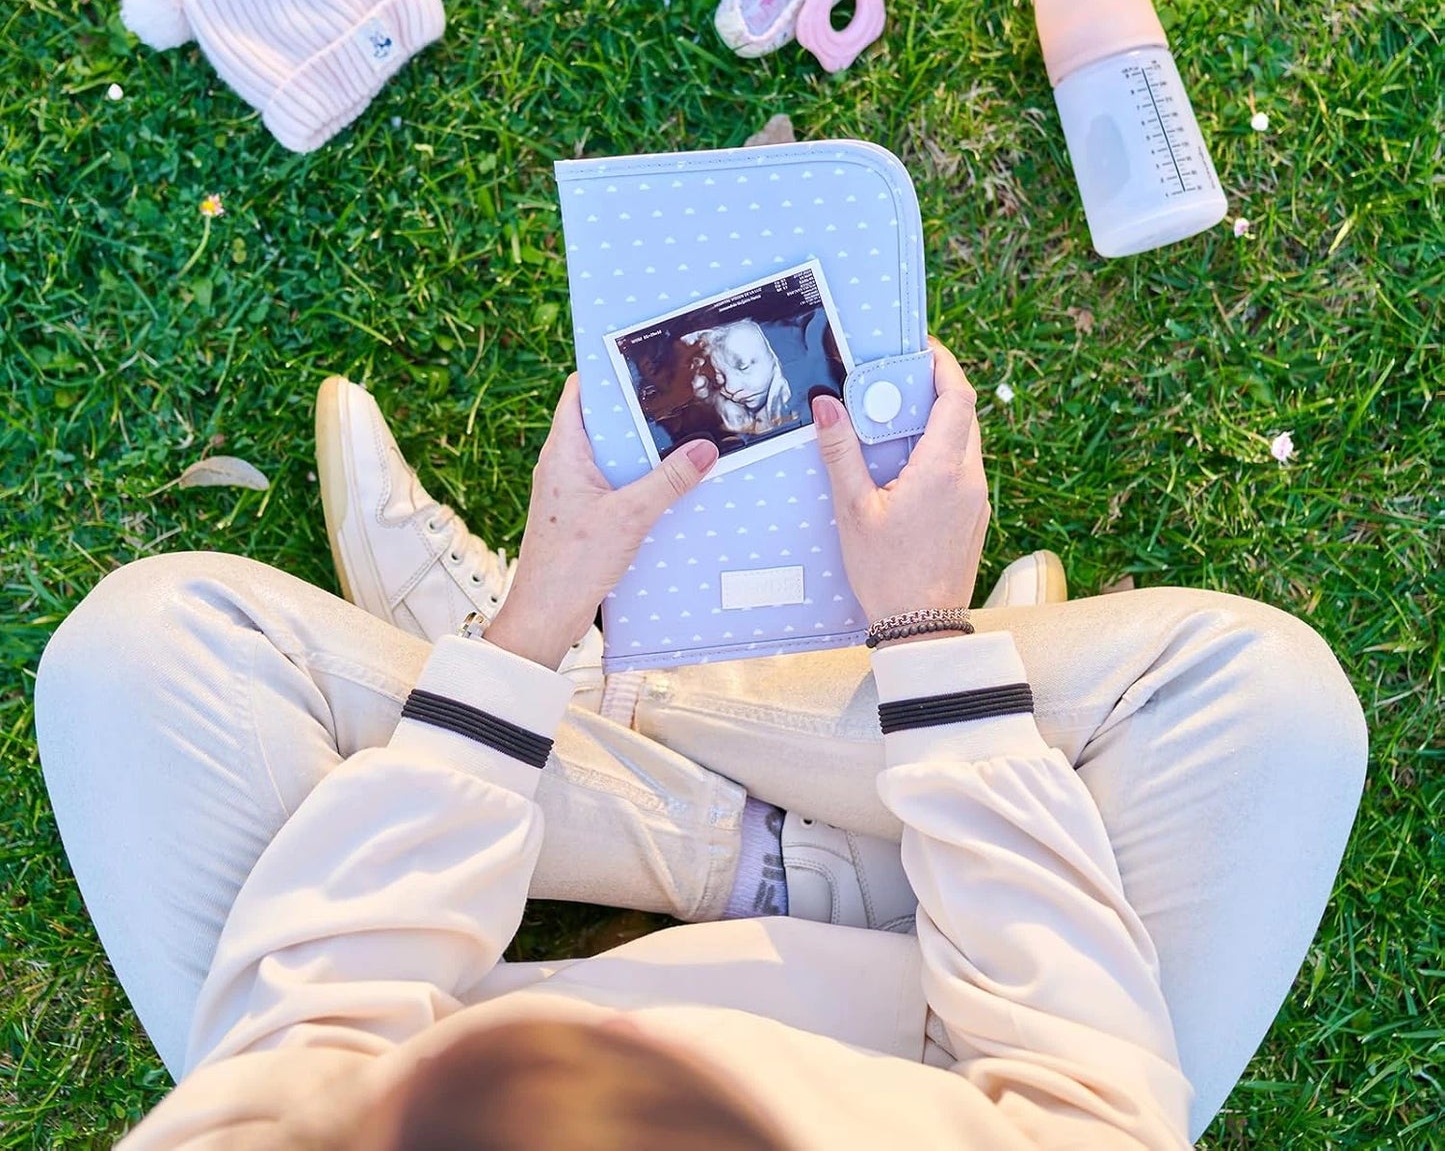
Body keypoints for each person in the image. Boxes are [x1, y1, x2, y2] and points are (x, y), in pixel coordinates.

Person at [33, 340, 1368, 1148]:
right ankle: (804, 833)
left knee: (138, 657)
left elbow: (314, 1019)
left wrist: (531, 626)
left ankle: (590, 689)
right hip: (935, 1052)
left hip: (419, 1043)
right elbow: (1086, 1089)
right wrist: (920, 637)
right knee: (1266, 708)